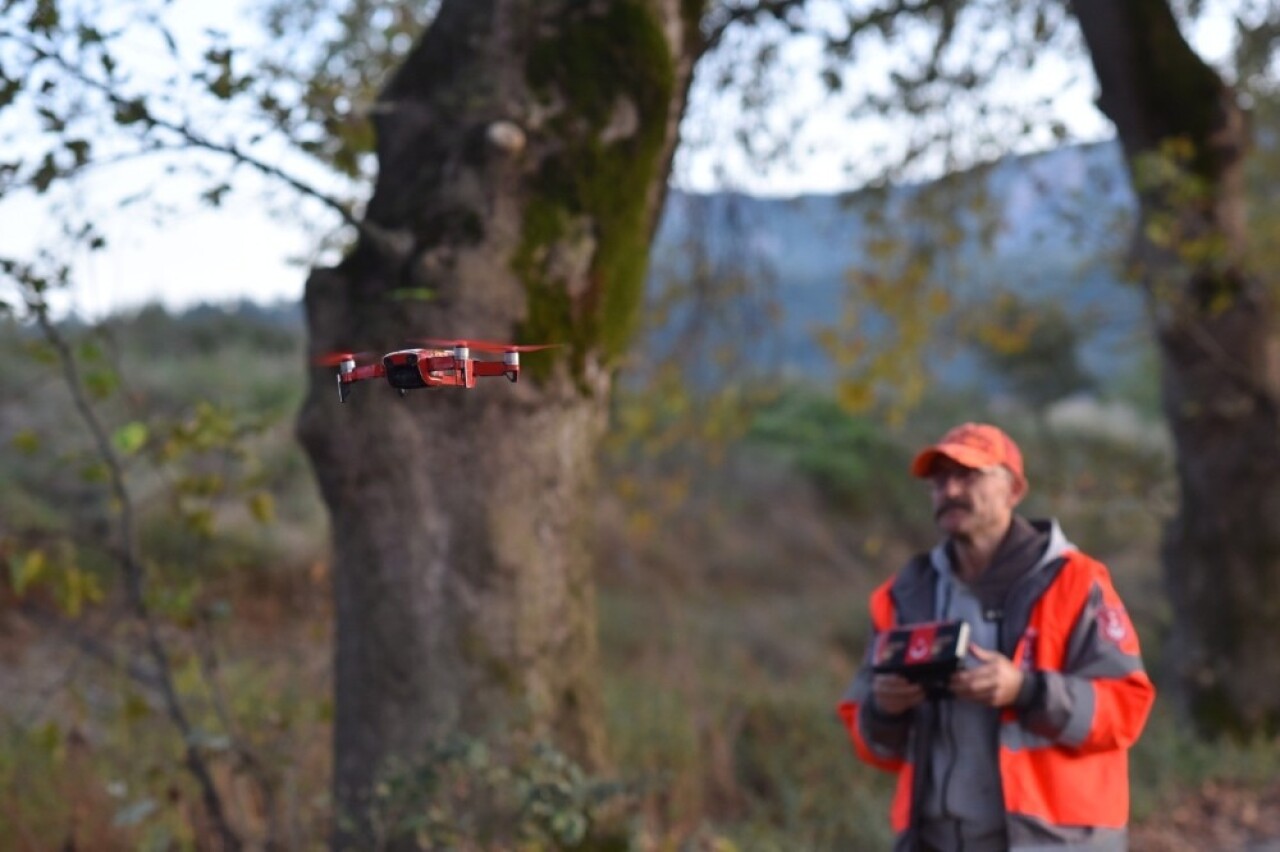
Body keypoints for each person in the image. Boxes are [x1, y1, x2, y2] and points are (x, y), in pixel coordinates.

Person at [837, 422, 1156, 851]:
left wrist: (1024, 689)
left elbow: (1126, 709)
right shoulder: (903, 595)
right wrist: (885, 708)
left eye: (968, 476)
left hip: (1055, 842)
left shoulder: (1076, 582)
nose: (950, 490)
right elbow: (870, 737)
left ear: (1014, 490)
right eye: (940, 480)